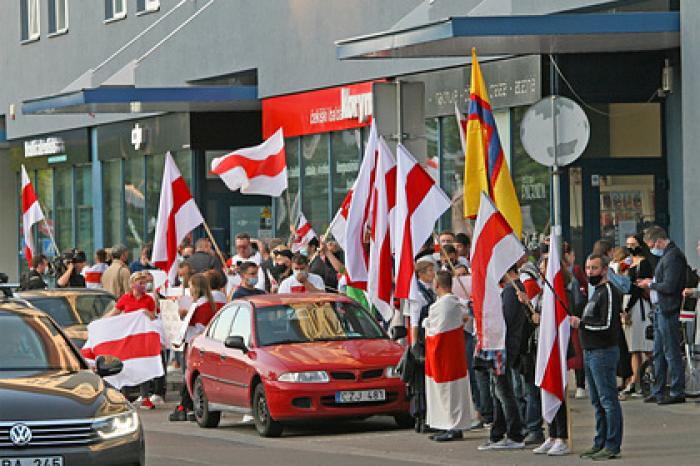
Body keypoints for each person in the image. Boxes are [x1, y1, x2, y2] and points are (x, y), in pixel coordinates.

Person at [570, 254, 623, 460]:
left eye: (594, 268)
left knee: (608, 400)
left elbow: (607, 324)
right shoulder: (596, 292)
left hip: (603, 352)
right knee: (597, 402)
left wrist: (581, 324)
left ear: (604, 270)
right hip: (590, 352)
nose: (590, 271)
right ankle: (599, 441)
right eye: (587, 267)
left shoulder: (608, 292)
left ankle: (612, 444)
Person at [478, 266, 526, 451]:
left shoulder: (512, 290)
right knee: (498, 392)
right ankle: (498, 433)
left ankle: (515, 434)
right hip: (500, 347)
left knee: (504, 392)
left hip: (503, 348)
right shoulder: (510, 290)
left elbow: (504, 319)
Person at [638, 226, 688, 405]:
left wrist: (651, 285)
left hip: (669, 310)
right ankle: (657, 389)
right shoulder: (667, 257)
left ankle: (677, 390)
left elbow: (670, 286)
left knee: (670, 351)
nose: (652, 248)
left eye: (651, 244)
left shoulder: (673, 257)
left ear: (659, 241)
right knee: (659, 351)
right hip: (661, 309)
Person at [424, 271, 471, 442]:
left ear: (437, 285)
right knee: (449, 393)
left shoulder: (443, 305)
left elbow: (434, 329)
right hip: (452, 353)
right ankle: (447, 425)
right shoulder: (455, 303)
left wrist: (425, 323)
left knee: (449, 393)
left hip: (445, 354)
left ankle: (453, 427)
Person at [106, 271, 160, 410]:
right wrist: (100, 323)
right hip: (128, 339)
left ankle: (145, 397)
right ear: (132, 284)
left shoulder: (148, 300)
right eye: (140, 283)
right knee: (125, 365)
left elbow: (153, 318)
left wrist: (145, 313)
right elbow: (114, 314)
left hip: (142, 339)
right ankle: (123, 396)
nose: (143, 285)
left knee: (143, 366)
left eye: (144, 283)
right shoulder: (125, 298)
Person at [170, 273, 219, 421]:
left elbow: (198, 328)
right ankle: (189, 407)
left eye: (191, 286)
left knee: (188, 376)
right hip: (200, 345)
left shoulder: (200, 306)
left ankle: (185, 407)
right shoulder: (208, 304)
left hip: (194, 345)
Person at [621, 234, 654, 397]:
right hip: (628, 306)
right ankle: (636, 381)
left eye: (633, 244)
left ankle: (652, 377)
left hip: (638, 307)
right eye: (628, 244)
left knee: (647, 346)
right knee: (633, 347)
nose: (630, 247)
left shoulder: (644, 264)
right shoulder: (627, 264)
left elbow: (638, 288)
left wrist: (626, 308)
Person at [407, 256, 437, 433]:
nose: (433, 274)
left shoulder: (428, 290)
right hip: (421, 341)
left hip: (429, 338)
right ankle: (421, 417)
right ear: (421, 273)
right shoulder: (417, 293)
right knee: (420, 383)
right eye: (430, 271)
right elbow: (414, 320)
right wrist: (414, 345)